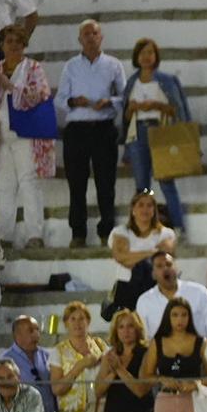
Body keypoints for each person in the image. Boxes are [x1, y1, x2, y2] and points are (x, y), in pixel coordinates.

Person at [57, 20, 126, 248]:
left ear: (101, 37)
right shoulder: (70, 66)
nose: (90, 37)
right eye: (86, 34)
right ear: (79, 40)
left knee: (106, 183)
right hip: (76, 129)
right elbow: (59, 99)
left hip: (103, 128)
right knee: (76, 185)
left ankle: (107, 232)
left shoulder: (114, 65)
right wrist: (73, 101)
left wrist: (110, 101)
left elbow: (125, 98)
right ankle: (78, 233)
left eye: (94, 33)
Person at [117, 39, 190, 231]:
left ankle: (179, 226)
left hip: (161, 132)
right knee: (143, 186)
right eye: (142, 53)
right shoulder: (132, 82)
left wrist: (156, 106)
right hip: (138, 133)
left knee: (166, 181)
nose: (146, 57)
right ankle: (143, 227)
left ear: (156, 57)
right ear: (136, 57)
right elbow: (125, 118)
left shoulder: (166, 80)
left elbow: (178, 109)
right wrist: (132, 108)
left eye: (150, 53)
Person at [0, 24, 51, 250]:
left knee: (28, 182)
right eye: (9, 41)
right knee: (4, 185)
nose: (13, 45)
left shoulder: (33, 68)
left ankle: (34, 234)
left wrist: (12, 86)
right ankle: (5, 235)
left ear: (24, 45)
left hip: (26, 131)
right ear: (2, 45)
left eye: (18, 41)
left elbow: (41, 96)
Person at [140, 297, 207, 412]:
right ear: (168, 317)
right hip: (166, 398)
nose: (179, 319)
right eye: (175, 315)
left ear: (190, 317)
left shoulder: (201, 343)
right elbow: (146, 375)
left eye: (184, 315)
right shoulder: (157, 343)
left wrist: (197, 383)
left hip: (193, 400)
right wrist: (161, 379)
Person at [49, 301, 108, 412]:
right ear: (66, 323)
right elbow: (57, 389)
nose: (77, 323)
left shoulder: (101, 346)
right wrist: (79, 366)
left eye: (81, 318)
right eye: (72, 319)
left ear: (88, 322)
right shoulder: (58, 351)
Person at [93, 308, 155, 412]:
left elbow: (140, 390)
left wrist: (120, 369)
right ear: (116, 331)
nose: (125, 331)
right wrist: (113, 372)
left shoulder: (147, 353)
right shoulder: (110, 355)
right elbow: (98, 390)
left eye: (130, 326)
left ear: (137, 329)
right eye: (121, 327)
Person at [138, 251, 207, 343]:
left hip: (198, 353)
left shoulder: (199, 292)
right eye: (159, 266)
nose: (165, 268)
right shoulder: (144, 301)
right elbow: (144, 338)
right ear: (153, 274)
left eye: (169, 264)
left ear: (176, 268)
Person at [108, 189, 176, 293]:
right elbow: (120, 257)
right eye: (141, 205)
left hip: (156, 288)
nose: (145, 209)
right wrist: (151, 253)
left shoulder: (166, 233)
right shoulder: (120, 232)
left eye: (149, 205)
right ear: (133, 209)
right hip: (126, 287)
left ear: (154, 210)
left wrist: (131, 257)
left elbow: (163, 260)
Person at [0, 313, 54, 412]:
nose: (36, 334)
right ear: (17, 335)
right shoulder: (5, 361)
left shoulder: (46, 356)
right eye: (31, 331)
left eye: (37, 330)